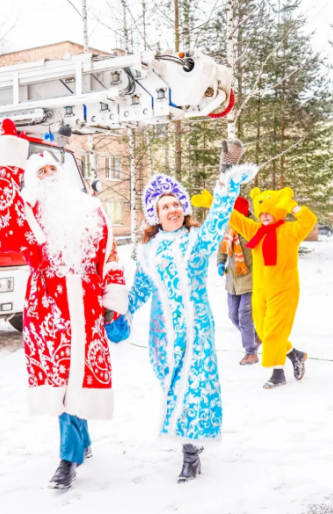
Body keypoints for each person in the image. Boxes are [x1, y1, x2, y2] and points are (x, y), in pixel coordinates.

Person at [0, 119, 127, 490]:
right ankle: (69, 457)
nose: (47, 175)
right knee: (62, 380)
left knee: (80, 377)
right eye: (39, 171)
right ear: (32, 181)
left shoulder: (91, 209)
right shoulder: (26, 214)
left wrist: (114, 301)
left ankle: (81, 441)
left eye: (52, 169)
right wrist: (10, 168)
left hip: (89, 304)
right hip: (49, 311)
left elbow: (110, 255)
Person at [123, 139, 257, 483]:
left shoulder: (196, 242)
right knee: (173, 389)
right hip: (162, 336)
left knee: (195, 388)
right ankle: (190, 445)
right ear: (156, 214)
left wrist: (226, 174)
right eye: (164, 206)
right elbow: (138, 290)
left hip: (196, 331)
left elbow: (218, 219)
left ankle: (190, 453)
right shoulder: (148, 251)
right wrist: (116, 312)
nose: (172, 210)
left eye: (176, 205)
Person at [227, 187, 317, 389]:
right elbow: (237, 220)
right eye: (261, 213)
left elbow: (309, 221)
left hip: (284, 290)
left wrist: (293, 207)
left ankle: (278, 373)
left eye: (269, 212)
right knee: (264, 331)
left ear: (277, 211)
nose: (264, 216)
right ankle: (295, 354)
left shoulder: (290, 231)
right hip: (261, 290)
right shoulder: (255, 231)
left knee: (274, 332)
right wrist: (215, 203)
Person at [217, 196, 260, 365]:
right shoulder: (231, 226)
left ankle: (251, 352)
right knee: (233, 315)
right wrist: (220, 262)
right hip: (233, 281)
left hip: (250, 280)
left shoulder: (253, 228)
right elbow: (222, 247)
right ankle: (255, 336)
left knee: (244, 317)